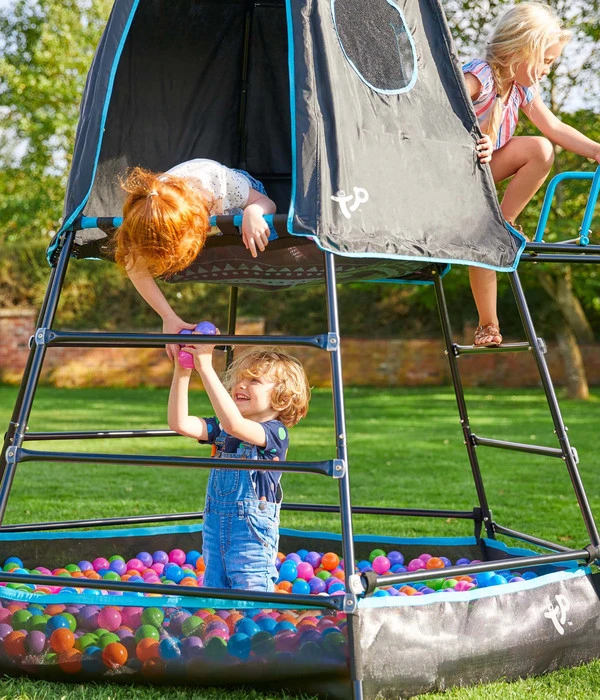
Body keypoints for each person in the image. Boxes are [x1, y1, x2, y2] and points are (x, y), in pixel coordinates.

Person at [463, 2, 600, 347]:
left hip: (481, 171)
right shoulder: (479, 77)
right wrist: (465, 139)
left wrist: (596, 150)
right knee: (482, 229)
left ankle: (503, 221)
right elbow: (438, 106)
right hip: (452, 172)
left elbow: (554, 127)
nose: (547, 71)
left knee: (540, 148)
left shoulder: (521, 89)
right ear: (521, 49)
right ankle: (488, 323)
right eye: (546, 61)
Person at [168, 342, 311, 591]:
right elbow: (179, 422)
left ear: (282, 398)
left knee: (251, 602)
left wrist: (206, 368)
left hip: (251, 538)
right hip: (214, 533)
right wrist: (183, 370)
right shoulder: (223, 428)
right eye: (239, 379)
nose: (240, 385)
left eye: (254, 380)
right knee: (215, 599)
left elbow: (234, 424)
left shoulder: (275, 432)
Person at [113, 159, 276, 357]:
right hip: (199, 215)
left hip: (244, 201)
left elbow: (266, 203)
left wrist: (253, 212)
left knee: (265, 236)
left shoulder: (221, 185)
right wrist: (168, 316)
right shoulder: (144, 215)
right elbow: (135, 267)